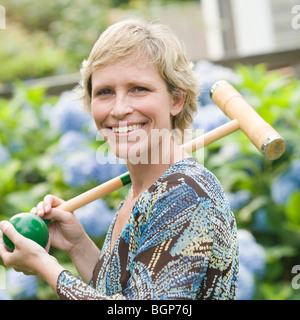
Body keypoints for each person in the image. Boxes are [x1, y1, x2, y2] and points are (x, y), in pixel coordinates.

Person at [0, 19, 238, 300]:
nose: (120, 108)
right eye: (105, 92)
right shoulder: (144, 191)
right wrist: (77, 246)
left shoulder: (185, 193)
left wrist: (46, 266)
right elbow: (120, 294)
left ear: (176, 100)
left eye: (139, 89)